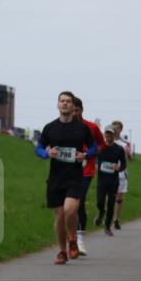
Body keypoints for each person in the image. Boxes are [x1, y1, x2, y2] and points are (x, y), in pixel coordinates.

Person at [37, 92, 98, 264]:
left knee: (69, 210)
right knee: (59, 217)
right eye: (62, 101)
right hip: (55, 178)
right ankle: (62, 251)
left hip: (75, 177)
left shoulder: (82, 128)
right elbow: (39, 147)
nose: (65, 104)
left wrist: (85, 155)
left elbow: (94, 147)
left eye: (68, 101)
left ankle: (72, 239)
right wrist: (46, 153)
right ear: (58, 105)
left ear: (73, 106)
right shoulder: (50, 128)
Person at [76, 107, 106, 247]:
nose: (74, 113)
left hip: (86, 169)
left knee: (80, 199)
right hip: (68, 170)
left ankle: (80, 237)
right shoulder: (64, 126)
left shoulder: (92, 127)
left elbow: (101, 144)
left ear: (81, 110)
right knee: (69, 205)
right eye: (72, 110)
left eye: (76, 110)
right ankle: (72, 234)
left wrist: (90, 154)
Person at [93, 125, 127, 235]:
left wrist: (119, 168)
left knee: (111, 204)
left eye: (110, 133)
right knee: (100, 201)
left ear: (114, 135)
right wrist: (95, 165)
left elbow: (124, 165)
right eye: (106, 133)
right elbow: (93, 157)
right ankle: (101, 212)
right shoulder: (100, 147)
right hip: (102, 180)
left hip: (113, 180)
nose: (108, 135)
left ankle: (107, 227)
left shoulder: (119, 149)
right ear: (104, 134)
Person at [111, 120, 133, 229]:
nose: (115, 130)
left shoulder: (125, 144)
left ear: (121, 129)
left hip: (120, 172)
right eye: (113, 128)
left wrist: (128, 154)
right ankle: (108, 217)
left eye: (117, 128)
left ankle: (116, 219)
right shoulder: (107, 141)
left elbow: (130, 159)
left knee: (119, 198)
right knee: (110, 196)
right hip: (108, 171)